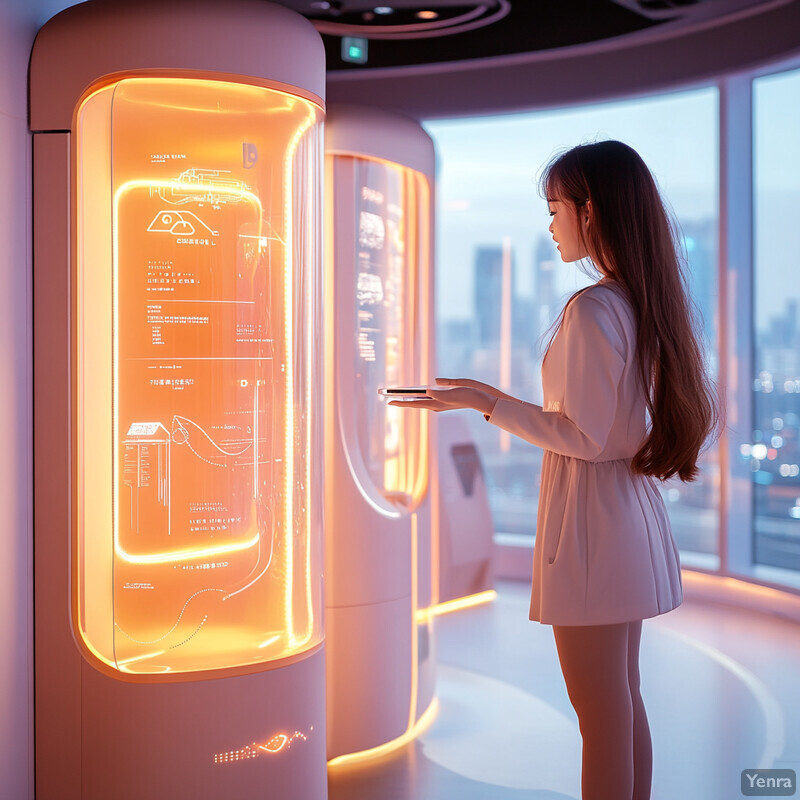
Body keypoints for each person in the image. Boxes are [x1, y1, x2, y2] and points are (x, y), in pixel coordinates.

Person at [391, 140, 721, 800]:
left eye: (555, 207)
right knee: (621, 703)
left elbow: (584, 436)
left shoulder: (594, 309)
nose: (550, 224)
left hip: (593, 529)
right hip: (624, 518)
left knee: (601, 715)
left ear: (589, 210)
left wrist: (487, 400)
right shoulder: (640, 303)